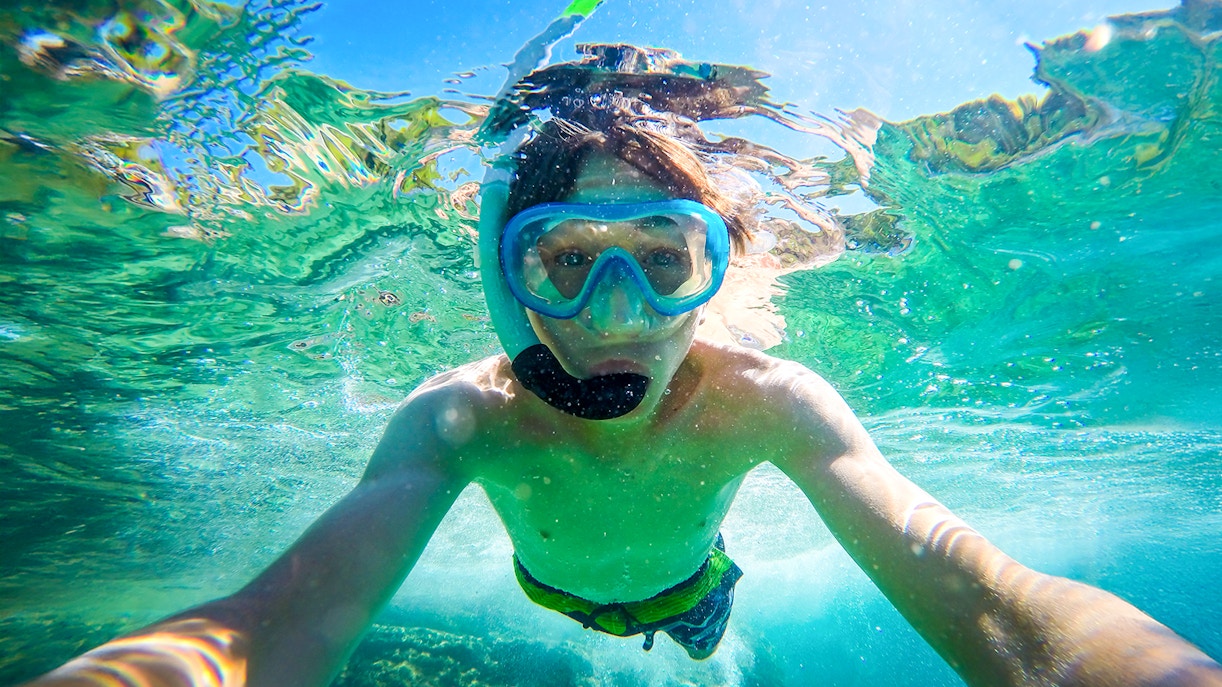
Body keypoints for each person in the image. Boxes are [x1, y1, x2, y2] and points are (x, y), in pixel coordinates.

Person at [26, 113, 1222, 687]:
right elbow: (284, 618)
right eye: (563, 261)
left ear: (717, 276)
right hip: (552, 592)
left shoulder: (769, 399)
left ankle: (708, 645)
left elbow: (994, 605)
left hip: (691, 588)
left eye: (661, 259)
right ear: (509, 283)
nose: (612, 315)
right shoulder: (460, 416)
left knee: (700, 640)